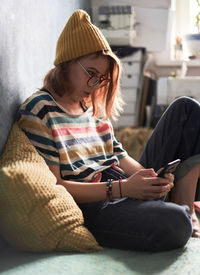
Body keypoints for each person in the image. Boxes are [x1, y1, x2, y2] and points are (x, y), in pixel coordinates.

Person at [18, 9, 200, 252]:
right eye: (91, 74)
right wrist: (125, 189)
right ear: (67, 62)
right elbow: (57, 186)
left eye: (101, 78)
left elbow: (120, 158)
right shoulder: (40, 109)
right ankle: (178, 210)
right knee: (176, 223)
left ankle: (182, 196)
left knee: (186, 108)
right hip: (98, 205)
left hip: (124, 187)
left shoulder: (93, 108)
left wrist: (150, 178)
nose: (95, 85)